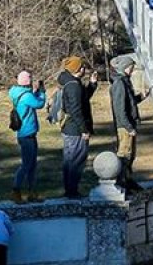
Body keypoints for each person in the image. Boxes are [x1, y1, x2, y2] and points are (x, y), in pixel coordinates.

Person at [58, 56, 98, 199]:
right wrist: (84, 130)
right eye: (82, 67)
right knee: (76, 160)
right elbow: (76, 110)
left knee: (69, 160)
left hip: (69, 128)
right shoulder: (74, 86)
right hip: (75, 130)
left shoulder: (69, 82)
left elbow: (83, 98)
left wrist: (92, 84)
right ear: (78, 69)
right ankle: (72, 191)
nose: (84, 69)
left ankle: (69, 190)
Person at [109, 53, 149, 192]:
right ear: (125, 67)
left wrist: (141, 97)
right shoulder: (119, 83)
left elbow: (129, 102)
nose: (132, 70)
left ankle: (128, 179)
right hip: (124, 126)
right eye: (131, 67)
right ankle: (122, 181)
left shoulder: (125, 81)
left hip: (128, 123)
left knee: (131, 154)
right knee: (125, 154)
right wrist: (128, 126)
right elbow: (120, 109)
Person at [8, 71, 47, 203]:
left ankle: (32, 192)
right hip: (27, 134)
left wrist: (34, 92)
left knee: (32, 165)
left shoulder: (17, 93)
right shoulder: (26, 96)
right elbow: (39, 104)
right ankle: (16, 190)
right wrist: (41, 92)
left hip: (25, 133)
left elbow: (31, 100)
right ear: (27, 82)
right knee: (26, 165)